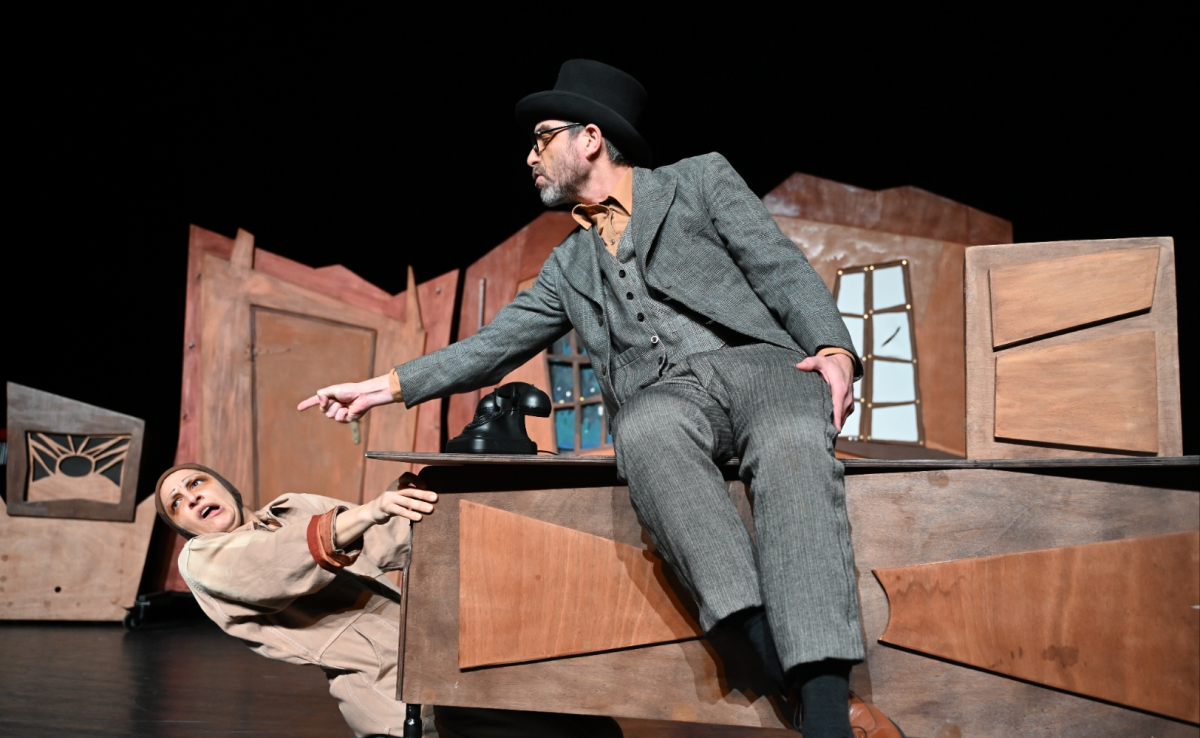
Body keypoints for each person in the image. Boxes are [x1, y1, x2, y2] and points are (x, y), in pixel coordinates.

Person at [298, 60, 903, 738]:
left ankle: (824, 704)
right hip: (666, 396)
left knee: (792, 442)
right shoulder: (567, 265)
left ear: (590, 138)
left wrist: (834, 347)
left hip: (760, 365)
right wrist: (381, 387)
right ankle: (786, 674)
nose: (530, 158)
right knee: (644, 430)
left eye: (541, 140)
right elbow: (491, 346)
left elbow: (779, 265)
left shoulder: (699, 180)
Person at [155, 462, 624, 738]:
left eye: (196, 483)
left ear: (223, 487)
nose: (190, 498)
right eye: (176, 504)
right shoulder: (201, 560)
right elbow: (270, 564)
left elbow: (382, 538)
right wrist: (366, 512)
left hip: (442, 657)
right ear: (183, 528)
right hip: (391, 695)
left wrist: (431, 507)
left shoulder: (293, 507)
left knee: (581, 723)